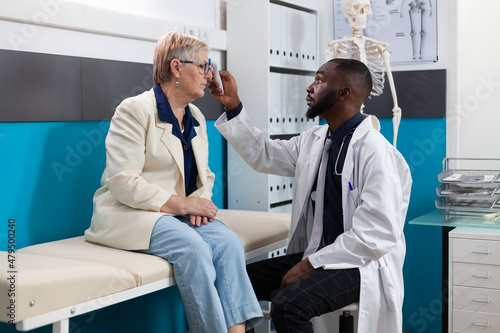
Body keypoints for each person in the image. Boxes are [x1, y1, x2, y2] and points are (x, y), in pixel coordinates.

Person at [210, 58, 412, 333]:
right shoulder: (315, 140)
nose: (309, 87)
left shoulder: (376, 153)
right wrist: (233, 104)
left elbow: (376, 235)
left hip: (359, 263)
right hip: (322, 253)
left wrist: (309, 265)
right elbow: (264, 154)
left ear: (343, 93)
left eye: (319, 80)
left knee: (289, 306)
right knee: (235, 282)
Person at [85, 31, 262, 333]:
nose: (209, 75)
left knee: (229, 243)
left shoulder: (193, 114)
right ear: (177, 67)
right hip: (134, 214)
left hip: (178, 213)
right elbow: (122, 181)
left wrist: (199, 204)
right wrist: (183, 204)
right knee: (192, 247)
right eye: (204, 66)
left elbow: (204, 175)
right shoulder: (134, 110)